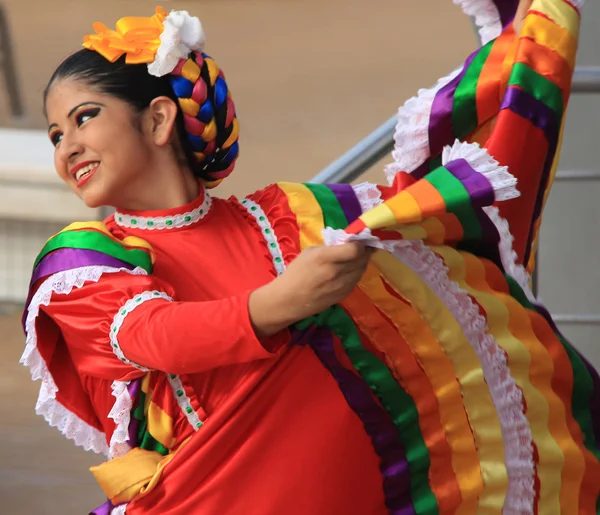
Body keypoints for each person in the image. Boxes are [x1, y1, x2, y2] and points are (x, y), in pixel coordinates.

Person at [21, 1, 600, 514]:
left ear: (157, 119)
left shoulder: (288, 215)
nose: (66, 146)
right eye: (53, 135)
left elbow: (435, 222)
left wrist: (521, 54)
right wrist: (282, 302)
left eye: (84, 117)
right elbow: (156, 335)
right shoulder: (82, 260)